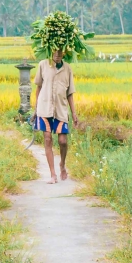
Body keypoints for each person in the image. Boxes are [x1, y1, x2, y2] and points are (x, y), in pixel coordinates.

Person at [30, 44, 76, 182]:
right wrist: (36, 108)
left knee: (63, 141)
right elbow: (38, 87)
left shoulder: (67, 69)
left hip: (61, 110)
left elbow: (70, 94)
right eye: (55, 51)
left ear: (64, 53)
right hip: (44, 109)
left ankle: (62, 164)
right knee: (48, 138)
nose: (57, 54)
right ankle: (52, 174)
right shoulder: (43, 65)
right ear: (50, 51)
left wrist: (74, 113)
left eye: (60, 51)